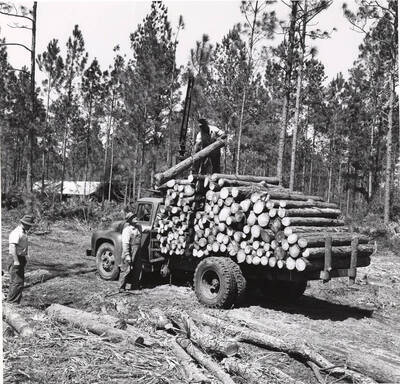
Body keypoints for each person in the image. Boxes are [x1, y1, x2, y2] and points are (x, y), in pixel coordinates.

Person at [7, 214, 35, 304]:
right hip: (15, 257)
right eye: (29, 225)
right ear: (24, 224)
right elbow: (12, 247)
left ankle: (15, 302)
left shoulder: (23, 232)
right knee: (16, 281)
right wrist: (16, 260)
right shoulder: (16, 232)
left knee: (19, 282)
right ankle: (12, 303)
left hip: (20, 257)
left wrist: (25, 256)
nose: (30, 227)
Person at [119, 212, 143, 291]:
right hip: (130, 250)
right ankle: (121, 287)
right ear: (130, 220)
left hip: (138, 251)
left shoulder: (139, 227)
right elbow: (125, 244)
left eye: (136, 216)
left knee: (137, 269)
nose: (136, 218)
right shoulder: (127, 230)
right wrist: (127, 255)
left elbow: (147, 228)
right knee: (126, 269)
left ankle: (134, 286)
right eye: (133, 217)